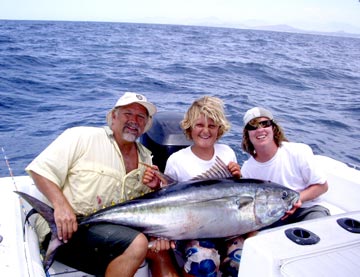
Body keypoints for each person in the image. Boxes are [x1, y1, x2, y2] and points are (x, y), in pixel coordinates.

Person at [25, 92, 177, 277]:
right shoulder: (82, 137)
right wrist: (61, 207)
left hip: (110, 230)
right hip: (66, 228)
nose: (134, 121)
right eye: (128, 113)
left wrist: (153, 189)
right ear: (113, 116)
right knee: (137, 243)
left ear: (145, 125)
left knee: (161, 251)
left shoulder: (146, 158)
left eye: (140, 117)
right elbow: (40, 170)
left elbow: (141, 210)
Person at [144, 96, 241, 277]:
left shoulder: (227, 153)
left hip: (227, 227)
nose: (205, 131)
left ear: (219, 129)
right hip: (191, 230)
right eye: (199, 125)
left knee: (242, 257)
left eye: (212, 126)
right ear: (190, 127)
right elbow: (167, 201)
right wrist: (155, 187)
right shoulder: (177, 160)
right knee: (204, 262)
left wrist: (238, 177)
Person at [241, 107, 330, 228]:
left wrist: (297, 200)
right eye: (253, 126)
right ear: (247, 134)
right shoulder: (247, 169)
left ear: (273, 128)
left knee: (317, 230)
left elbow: (322, 187)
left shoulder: (298, 151)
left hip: (308, 209)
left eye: (264, 124)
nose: (260, 129)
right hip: (272, 217)